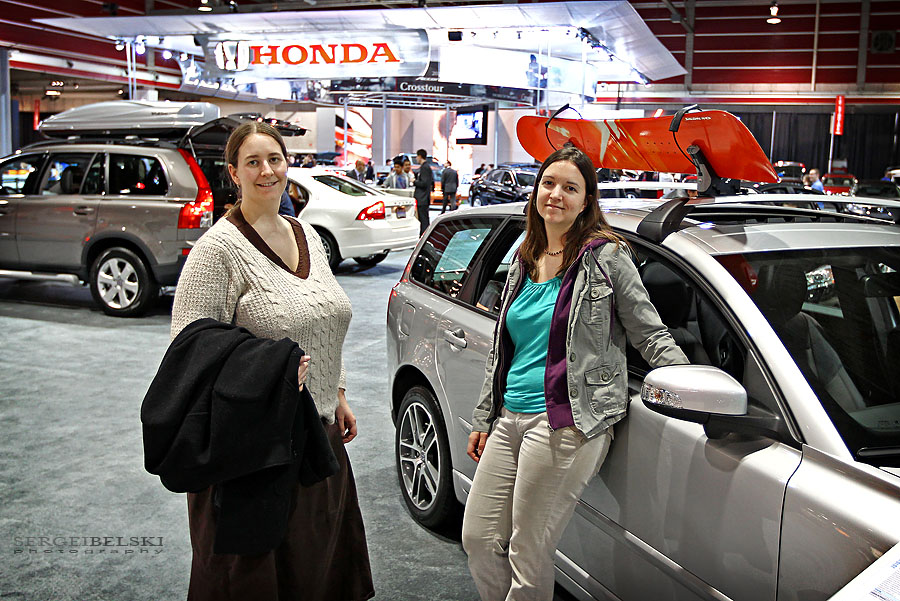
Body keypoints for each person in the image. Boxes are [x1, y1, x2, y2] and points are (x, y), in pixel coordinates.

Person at [461, 145, 688, 601]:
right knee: (480, 538)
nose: (556, 195)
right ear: (536, 191)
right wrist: (486, 416)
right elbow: (503, 350)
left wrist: (688, 384)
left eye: (570, 188)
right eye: (549, 183)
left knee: (529, 550)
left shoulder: (606, 258)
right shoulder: (525, 258)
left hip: (566, 420)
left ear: (586, 201)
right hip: (511, 418)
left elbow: (649, 333)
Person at [169, 121, 374, 601]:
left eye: (275, 159)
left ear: (288, 165)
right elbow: (188, 352)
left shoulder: (306, 235)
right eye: (253, 162)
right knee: (255, 579)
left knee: (315, 570)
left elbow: (325, 317)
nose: (267, 171)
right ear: (234, 174)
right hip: (252, 450)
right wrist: (271, 366)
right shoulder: (217, 250)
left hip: (316, 435)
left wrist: (336, 392)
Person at [413, 149, 434, 236]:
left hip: (422, 198)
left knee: (423, 219)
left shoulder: (425, 167)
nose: (416, 159)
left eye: (417, 156)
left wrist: (414, 181)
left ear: (420, 156)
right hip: (423, 197)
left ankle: (424, 237)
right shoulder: (426, 167)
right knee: (423, 218)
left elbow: (424, 183)